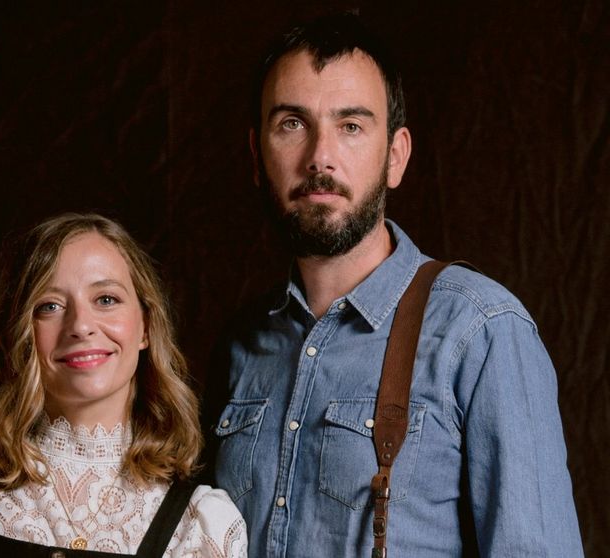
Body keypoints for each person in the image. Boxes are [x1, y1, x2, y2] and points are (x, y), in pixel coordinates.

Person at [207, 13, 583, 557]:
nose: (320, 157)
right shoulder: (241, 346)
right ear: (256, 156)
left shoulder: (481, 332)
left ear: (396, 156)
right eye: (292, 123)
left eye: (351, 126)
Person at [0, 213, 248, 557]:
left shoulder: (201, 523)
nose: (80, 325)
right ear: (20, 332)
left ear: (146, 327)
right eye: (50, 306)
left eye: (106, 299)